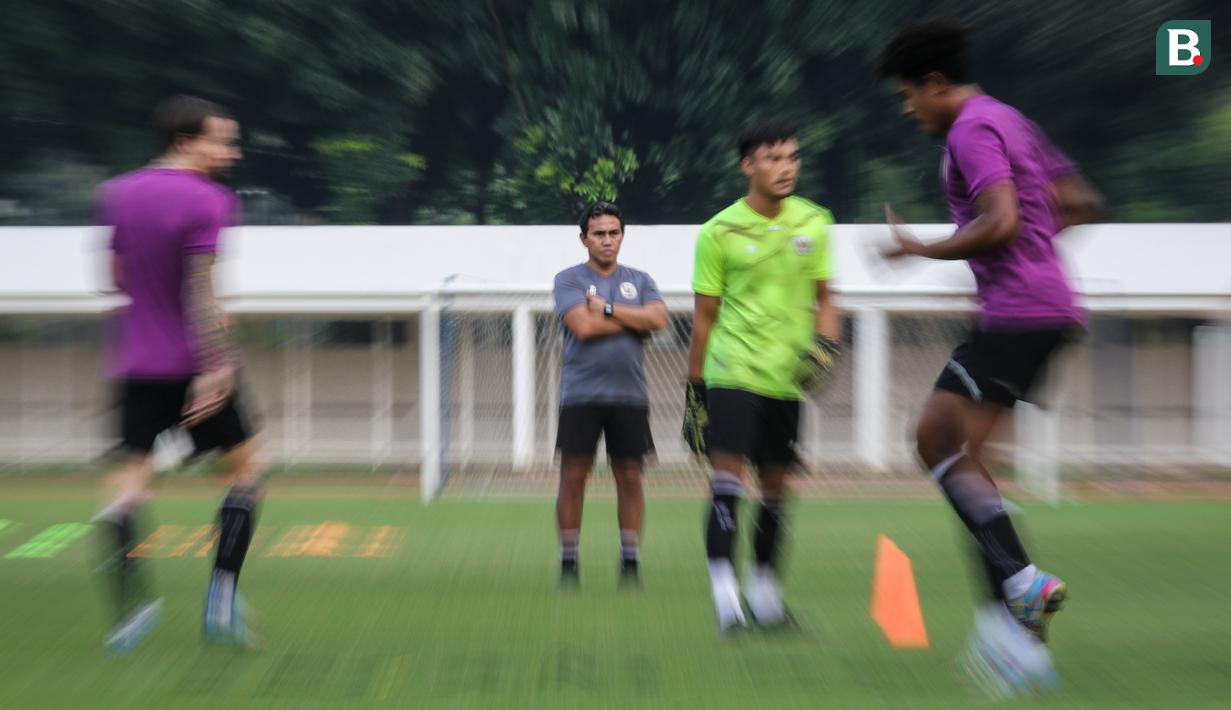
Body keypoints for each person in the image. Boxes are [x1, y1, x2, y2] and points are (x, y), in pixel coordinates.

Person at [876, 18, 1104, 692]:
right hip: (1048, 310)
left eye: (907, 96)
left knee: (932, 440)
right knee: (971, 467)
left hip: (1017, 315)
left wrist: (923, 250)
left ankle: (1021, 585)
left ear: (934, 84)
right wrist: (1026, 255)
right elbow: (1081, 202)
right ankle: (1016, 640)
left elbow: (1001, 220)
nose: (907, 109)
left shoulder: (970, 130)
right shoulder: (1011, 119)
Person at [94, 94, 267, 652]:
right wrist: (215, 364)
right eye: (222, 141)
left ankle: (132, 609)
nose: (232, 152)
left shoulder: (117, 193)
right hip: (194, 365)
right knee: (245, 474)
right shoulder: (210, 199)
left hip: (136, 364)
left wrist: (150, 307)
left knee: (128, 486)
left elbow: (115, 276)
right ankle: (221, 595)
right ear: (186, 141)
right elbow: (199, 286)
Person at [682, 121, 842, 631]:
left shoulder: (815, 222)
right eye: (774, 158)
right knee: (728, 482)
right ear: (748, 165)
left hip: (785, 380)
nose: (786, 167)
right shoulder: (718, 232)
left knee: (776, 491)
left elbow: (827, 300)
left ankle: (767, 599)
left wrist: (827, 345)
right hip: (732, 370)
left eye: (792, 157)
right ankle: (726, 599)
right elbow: (704, 319)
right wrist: (695, 391)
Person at [552, 201, 668, 588]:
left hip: (630, 396)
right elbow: (583, 328)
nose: (607, 240)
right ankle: (569, 562)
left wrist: (606, 308)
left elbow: (659, 319)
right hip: (581, 396)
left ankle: (630, 561)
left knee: (631, 477)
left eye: (613, 233)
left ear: (622, 236)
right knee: (573, 476)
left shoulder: (641, 279)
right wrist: (635, 321)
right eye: (599, 233)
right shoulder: (568, 279)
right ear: (584, 238)